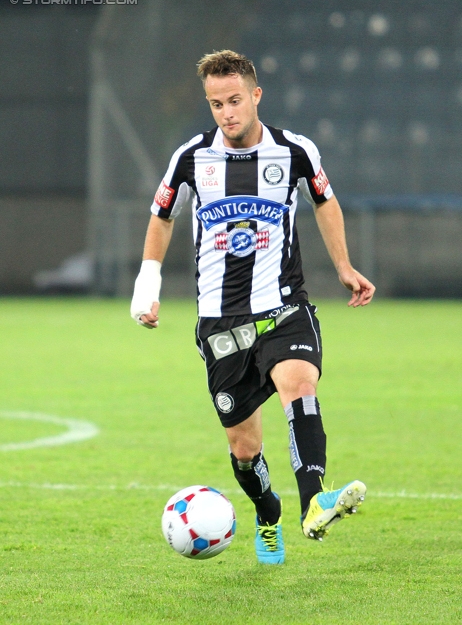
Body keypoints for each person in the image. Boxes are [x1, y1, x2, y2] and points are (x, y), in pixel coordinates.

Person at [130, 50, 375, 564]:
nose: (226, 113)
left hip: (284, 306)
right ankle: (269, 511)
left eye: (235, 100)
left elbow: (323, 200)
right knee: (244, 449)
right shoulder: (192, 157)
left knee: (299, 381)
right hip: (221, 325)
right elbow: (162, 214)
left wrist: (344, 267)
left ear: (256, 95)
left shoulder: (294, 151)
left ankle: (315, 502)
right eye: (216, 104)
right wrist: (146, 281)